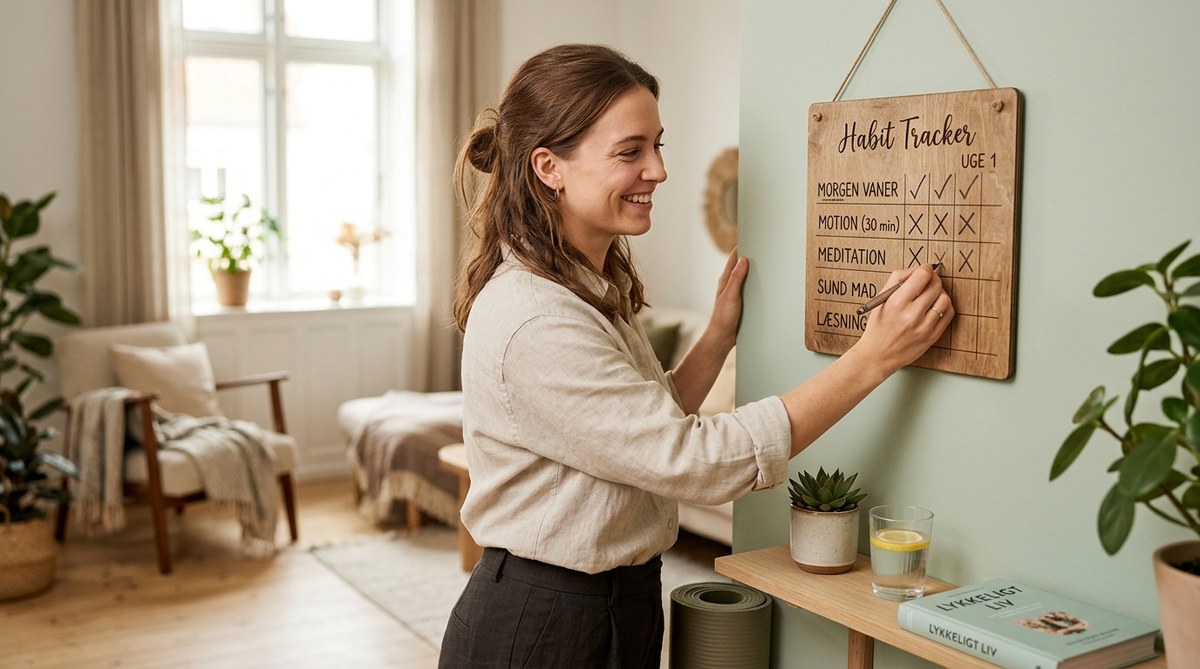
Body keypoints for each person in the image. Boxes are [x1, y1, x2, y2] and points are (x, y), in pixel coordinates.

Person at [438, 43, 953, 668]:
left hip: (612, 606)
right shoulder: (538, 317)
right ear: (550, 166)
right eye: (630, 151)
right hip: (547, 620)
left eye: (658, 145)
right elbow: (692, 461)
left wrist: (715, 339)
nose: (657, 170)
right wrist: (874, 358)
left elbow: (637, 438)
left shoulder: (584, 287)